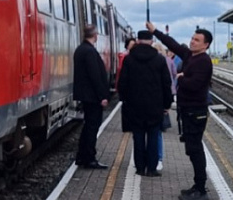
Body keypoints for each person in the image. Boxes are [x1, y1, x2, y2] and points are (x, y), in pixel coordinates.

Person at [146, 21, 213, 200]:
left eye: (197, 40)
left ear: (206, 45)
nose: (192, 42)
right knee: (191, 149)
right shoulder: (190, 56)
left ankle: (201, 189)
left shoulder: (204, 62)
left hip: (196, 112)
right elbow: (172, 44)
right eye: (192, 38)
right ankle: (197, 186)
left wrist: (181, 78)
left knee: (195, 149)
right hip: (188, 111)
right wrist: (156, 32)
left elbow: (195, 85)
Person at [118, 31, 172, 177]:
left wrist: (124, 99)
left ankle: (140, 167)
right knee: (154, 136)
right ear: (151, 40)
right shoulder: (159, 59)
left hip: (134, 105)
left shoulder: (129, 59)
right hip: (155, 105)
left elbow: (122, 82)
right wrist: (167, 104)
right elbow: (166, 83)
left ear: (137, 40)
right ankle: (152, 168)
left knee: (138, 136)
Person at [73, 24, 110, 168]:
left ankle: (82, 156)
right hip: (92, 96)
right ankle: (89, 158)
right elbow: (95, 76)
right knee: (92, 127)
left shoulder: (81, 49)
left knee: (88, 126)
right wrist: (102, 96)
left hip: (87, 95)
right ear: (95, 35)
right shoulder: (89, 51)